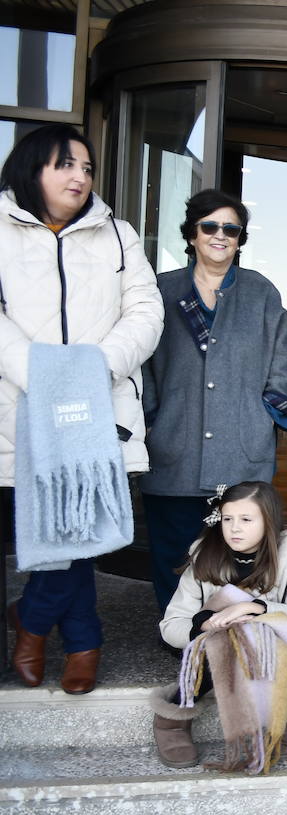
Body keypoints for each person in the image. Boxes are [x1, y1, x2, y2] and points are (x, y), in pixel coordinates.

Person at [0, 124, 162, 693]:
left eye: (87, 167)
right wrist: (49, 377)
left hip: (101, 404)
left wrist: (93, 371)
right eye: (65, 164)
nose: (79, 176)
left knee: (85, 526)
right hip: (23, 407)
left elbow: (145, 312)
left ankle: (37, 619)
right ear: (31, 169)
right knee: (57, 528)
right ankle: (83, 636)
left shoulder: (118, 234)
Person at [142, 189, 287, 615]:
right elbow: (141, 365)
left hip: (241, 449)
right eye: (210, 226)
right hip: (174, 445)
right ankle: (178, 629)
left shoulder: (260, 292)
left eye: (231, 229)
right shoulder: (161, 289)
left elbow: (283, 365)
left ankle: (233, 628)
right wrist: (152, 421)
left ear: (240, 238)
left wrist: (263, 419)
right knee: (174, 550)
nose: (220, 235)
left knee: (239, 549)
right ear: (192, 234)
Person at [153, 481, 287, 772]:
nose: (234, 529)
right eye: (227, 519)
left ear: (268, 521)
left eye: (246, 520)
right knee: (225, 639)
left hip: (280, 643)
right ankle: (173, 721)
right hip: (216, 644)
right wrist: (203, 626)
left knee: (255, 631)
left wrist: (254, 608)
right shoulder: (204, 555)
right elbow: (171, 624)